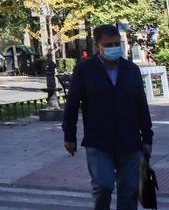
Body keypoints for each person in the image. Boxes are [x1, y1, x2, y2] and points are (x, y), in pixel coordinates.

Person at [62, 24, 154, 210]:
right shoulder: (85, 70)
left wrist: (147, 137)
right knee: (103, 186)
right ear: (98, 45)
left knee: (129, 191)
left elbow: (141, 105)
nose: (114, 48)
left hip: (129, 140)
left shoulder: (131, 70)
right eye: (108, 45)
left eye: (117, 44)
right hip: (98, 141)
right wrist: (69, 135)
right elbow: (72, 103)